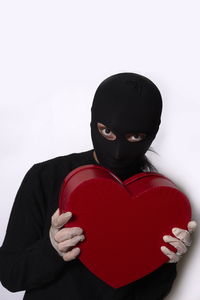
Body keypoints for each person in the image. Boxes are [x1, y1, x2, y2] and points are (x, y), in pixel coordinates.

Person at [0, 72, 197, 300]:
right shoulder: (45, 177)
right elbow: (10, 276)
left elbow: (153, 294)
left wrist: (165, 262)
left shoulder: (163, 200)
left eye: (134, 137)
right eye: (107, 131)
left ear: (153, 133)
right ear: (93, 121)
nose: (118, 152)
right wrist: (52, 248)